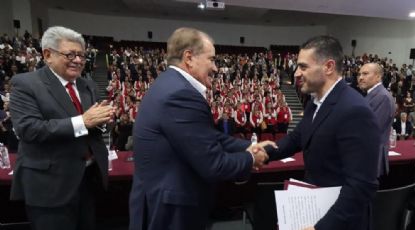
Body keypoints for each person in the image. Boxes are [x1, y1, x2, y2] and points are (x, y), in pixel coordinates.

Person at [129, 27, 273, 230]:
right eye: (211, 59)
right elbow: (213, 165)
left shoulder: (167, 84)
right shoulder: (181, 95)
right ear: (189, 58)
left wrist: (250, 145)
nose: (215, 68)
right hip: (172, 209)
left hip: (161, 199)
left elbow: (208, 137)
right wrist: (251, 158)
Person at [268, 36, 380, 230]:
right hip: (317, 205)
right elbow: (298, 137)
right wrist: (263, 152)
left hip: (339, 221)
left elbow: (361, 185)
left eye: (303, 67)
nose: (296, 73)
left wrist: (322, 227)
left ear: (328, 67)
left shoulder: (354, 110)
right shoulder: (315, 101)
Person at [9, 26, 114, 230]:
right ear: (48, 55)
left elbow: (92, 125)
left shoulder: (87, 85)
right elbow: (29, 129)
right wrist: (83, 121)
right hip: (50, 187)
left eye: (82, 55)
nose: (78, 60)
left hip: (87, 181)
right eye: (70, 54)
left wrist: (103, 120)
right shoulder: (26, 84)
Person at [357, 62, 396, 176]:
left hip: (369, 158)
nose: (360, 78)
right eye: (359, 74)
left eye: (365, 74)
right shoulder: (374, 95)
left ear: (378, 77)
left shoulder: (382, 97)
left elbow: (370, 131)